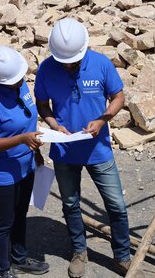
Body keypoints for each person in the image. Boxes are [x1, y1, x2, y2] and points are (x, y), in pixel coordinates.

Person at [35, 18, 139, 278]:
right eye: (64, 61)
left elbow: (118, 97)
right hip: (64, 151)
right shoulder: (47, 69)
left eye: (73, 61)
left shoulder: (101, 64)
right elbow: (42, 103)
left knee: (116, 204)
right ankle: (79, 251)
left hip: (98, 149)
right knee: (70, 204)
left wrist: (103, 119)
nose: (68, 65)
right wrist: (53, 124)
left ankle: (122, 255)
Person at [0, 46, 49, 278]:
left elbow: (27, 119)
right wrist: (21, 139)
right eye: (16, 79)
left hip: (25, 166)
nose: (21, 81)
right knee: (3, 223)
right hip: (1, 174)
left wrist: (35, 150)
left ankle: (19, 258)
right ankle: (2, 270)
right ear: (0, 81)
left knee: (19, 216)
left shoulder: (19, 83)